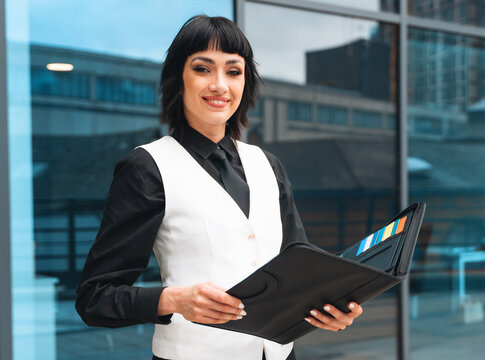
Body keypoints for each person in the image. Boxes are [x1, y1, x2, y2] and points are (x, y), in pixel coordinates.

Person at [75, 15, 363, 360]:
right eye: (202, 69)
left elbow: (298, 268)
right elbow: (95, 298)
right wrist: (173, 300)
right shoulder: (147, 168)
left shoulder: (268, 165)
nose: (220, 85)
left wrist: (330, 305)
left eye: (233, 71)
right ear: (177, 79)